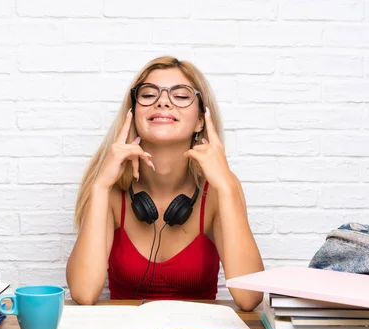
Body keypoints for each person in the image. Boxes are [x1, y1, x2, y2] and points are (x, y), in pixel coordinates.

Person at [66, 56, 264, 311]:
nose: (163, 101)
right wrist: (100, 186)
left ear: (201, 121)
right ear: (133, 114)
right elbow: (83, 293)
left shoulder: (219, 188)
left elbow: (249, 299)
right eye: (148, 95)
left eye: (181, 96)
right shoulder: (111, 188)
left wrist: (226, 186)